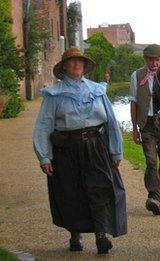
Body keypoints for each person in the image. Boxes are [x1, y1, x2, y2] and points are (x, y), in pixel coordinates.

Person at [33, 47, 126, 255]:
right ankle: (75, 233)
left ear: (84, 67)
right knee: (71, 192)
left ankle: (101, 235)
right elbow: (44, 125)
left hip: (97, 147)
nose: (76, 64)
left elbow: (111, 121)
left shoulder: (98, 90)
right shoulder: (53, 94)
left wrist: (116, 151)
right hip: (67, 150)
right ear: (64, 67)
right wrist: (44, 156)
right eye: (72, 61)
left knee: (101, 188)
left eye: (80, 62)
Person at [130, 44, 160, 215]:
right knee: (151, 162)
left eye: (157, 59)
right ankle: (154, 197)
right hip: (146, 124)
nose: (154, 63)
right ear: (145, 60)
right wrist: (134, 128)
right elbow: (134, 102)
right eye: (150, 59)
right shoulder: (137, 75)